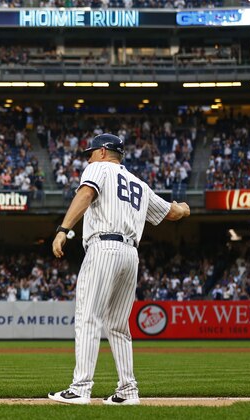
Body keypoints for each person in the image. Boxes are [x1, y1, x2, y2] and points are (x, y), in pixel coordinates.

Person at [48, 134, 190, 406]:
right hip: (130, 254)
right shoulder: (138, 183)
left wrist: (63, 229)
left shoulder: (97, 168)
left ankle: (80, 388)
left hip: (104, 247)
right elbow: (171, 213)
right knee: (118, 325)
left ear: (103, 152)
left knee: (88, 317)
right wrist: (184, 209)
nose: (88, 157)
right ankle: (128, 391)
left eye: (91, 152)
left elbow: (86, 193)